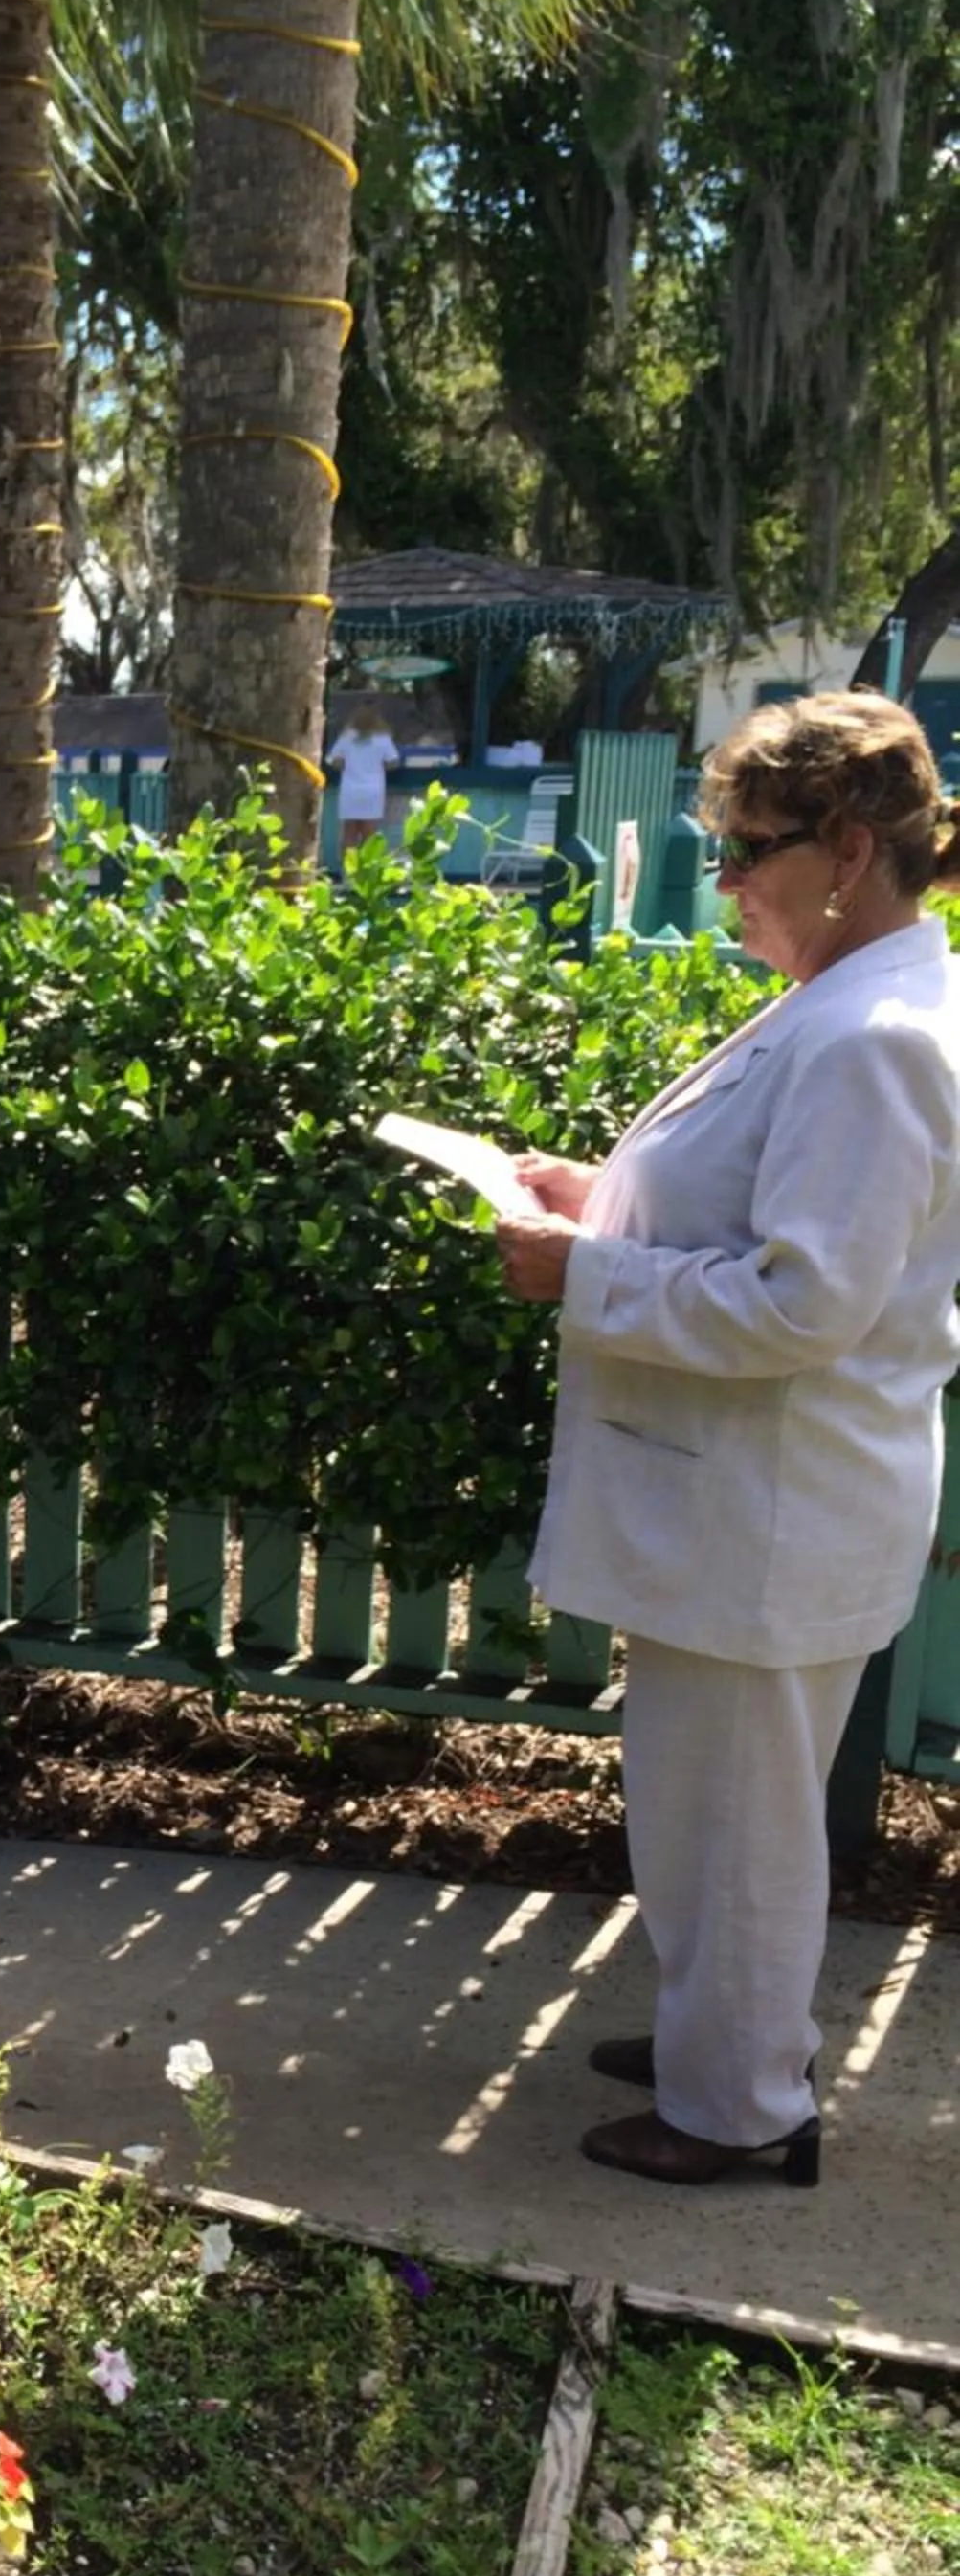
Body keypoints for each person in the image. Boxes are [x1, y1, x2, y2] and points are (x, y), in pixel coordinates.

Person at [497, 689, 960, 2188]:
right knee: (706, 1805)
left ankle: (741, 2110)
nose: (726, 882)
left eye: (746, 850)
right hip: (753, 1504)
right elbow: (755, 1213)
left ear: (845, 844)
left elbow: (800, 1304)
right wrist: (601, 1200)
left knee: (743, 1823)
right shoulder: (844, 996)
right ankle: (724, 2035)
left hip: (778, 1508)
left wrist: (587, 1276)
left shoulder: (872, 1035)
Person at [327, 703, 402, 862]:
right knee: (370, 835)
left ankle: (349, 874)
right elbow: (393, 762)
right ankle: (368, 874)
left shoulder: (347, 737)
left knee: (349, 833)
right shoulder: (382, 739)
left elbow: (335, 761)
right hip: (373, 790)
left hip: (350, 790)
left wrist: (348, 764)